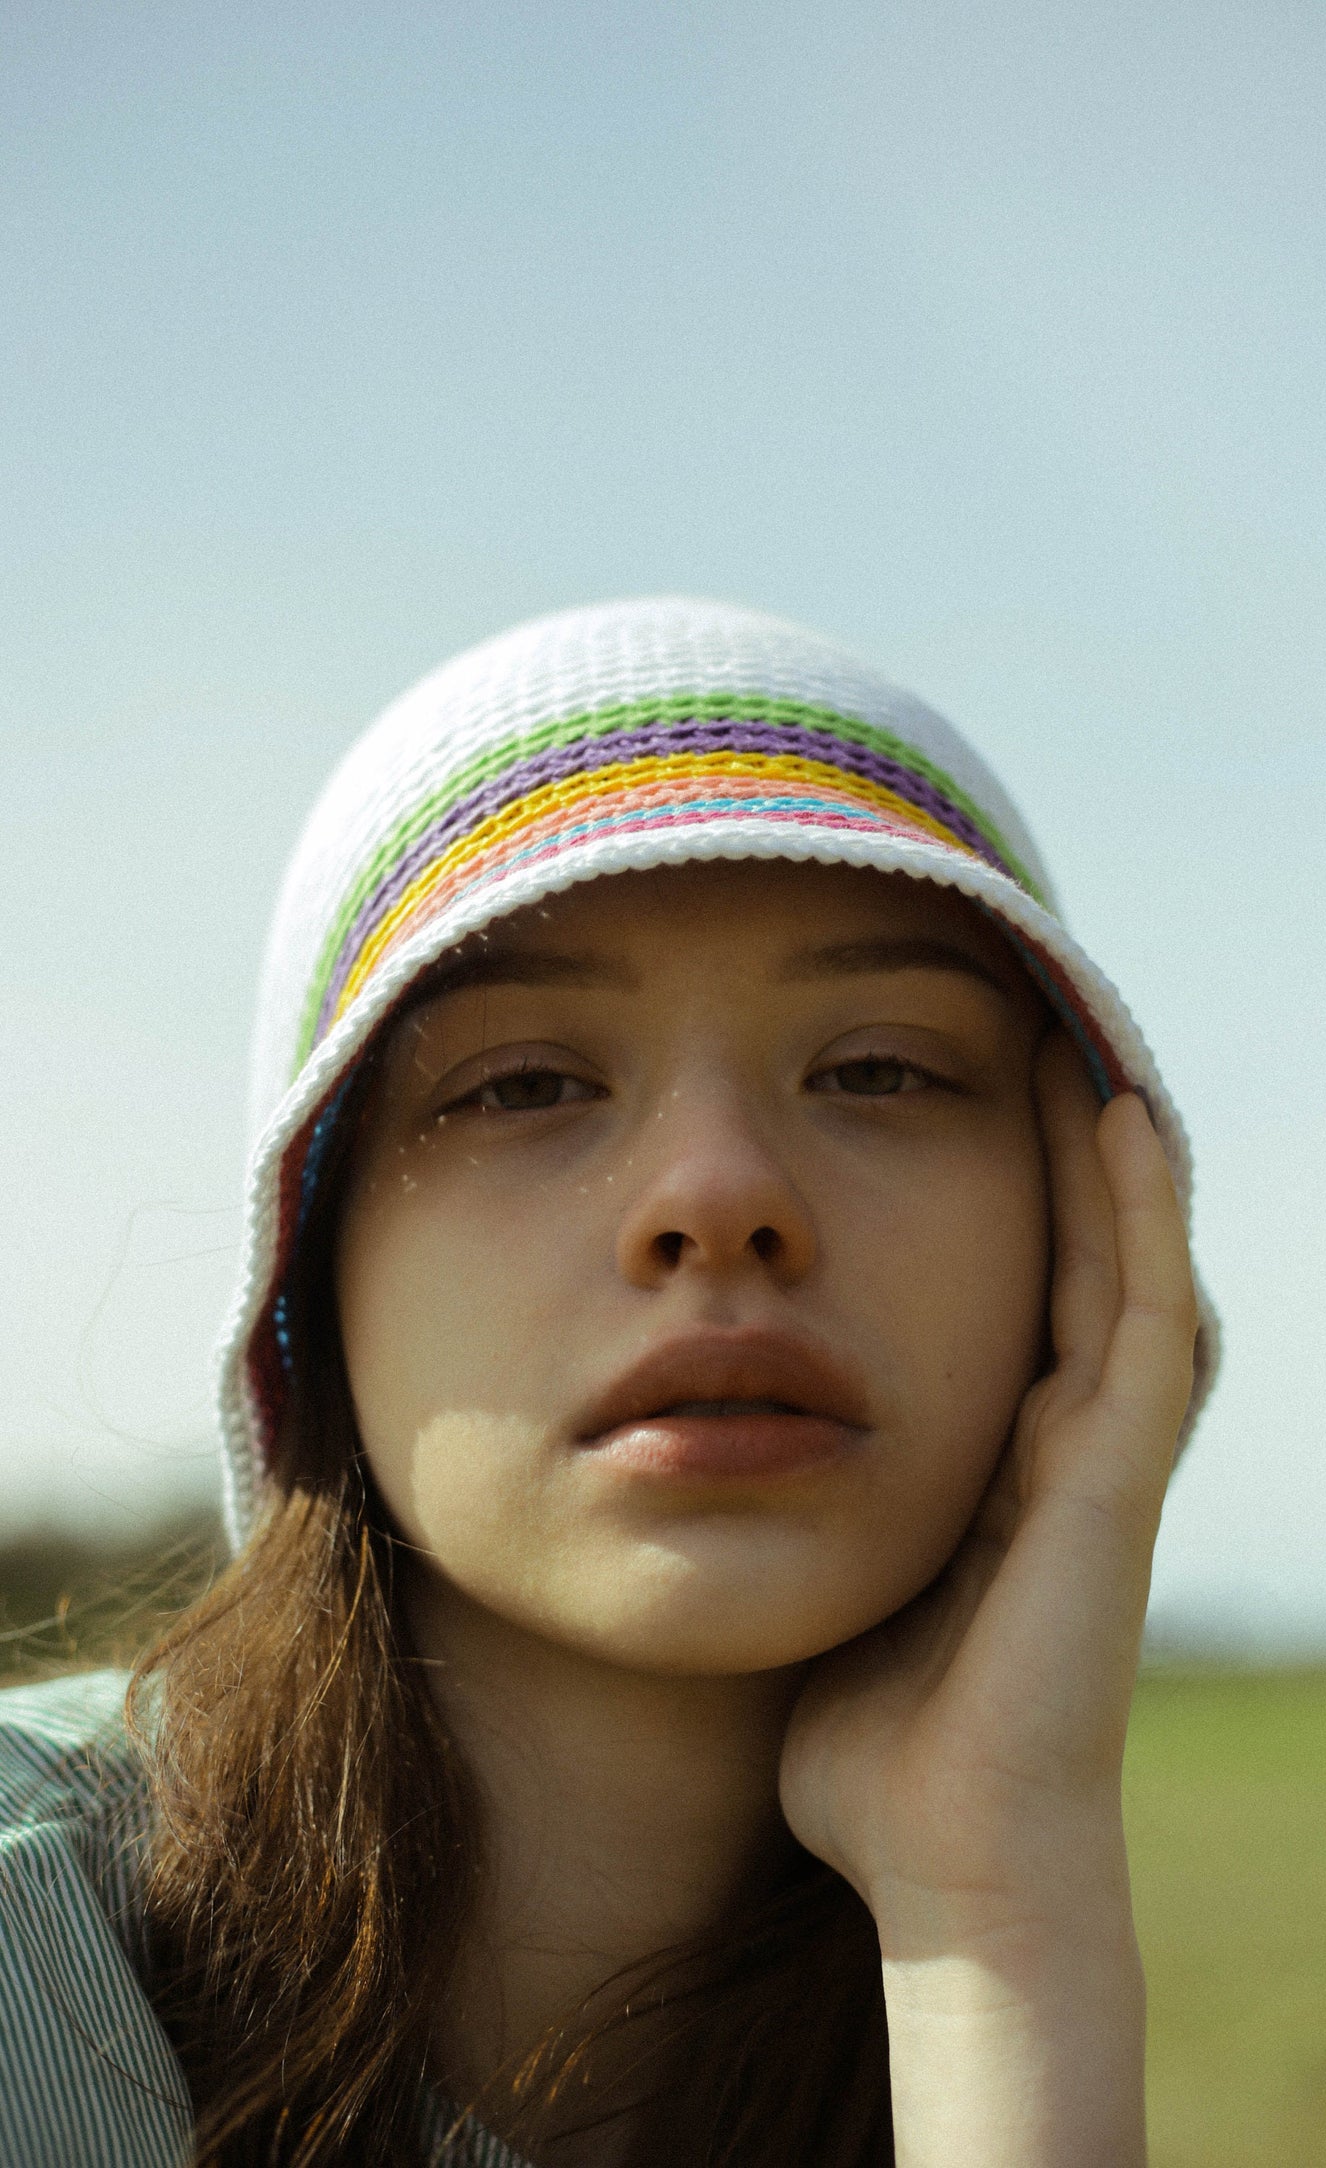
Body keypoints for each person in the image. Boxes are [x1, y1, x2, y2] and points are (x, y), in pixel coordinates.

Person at [0, 598, 1218, 2168]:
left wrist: (996, 1918)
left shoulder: (967, 2014)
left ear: (1086, 1246)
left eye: (879, 1069)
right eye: (521, 1084)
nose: (716, 1194)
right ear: (306, 1274)